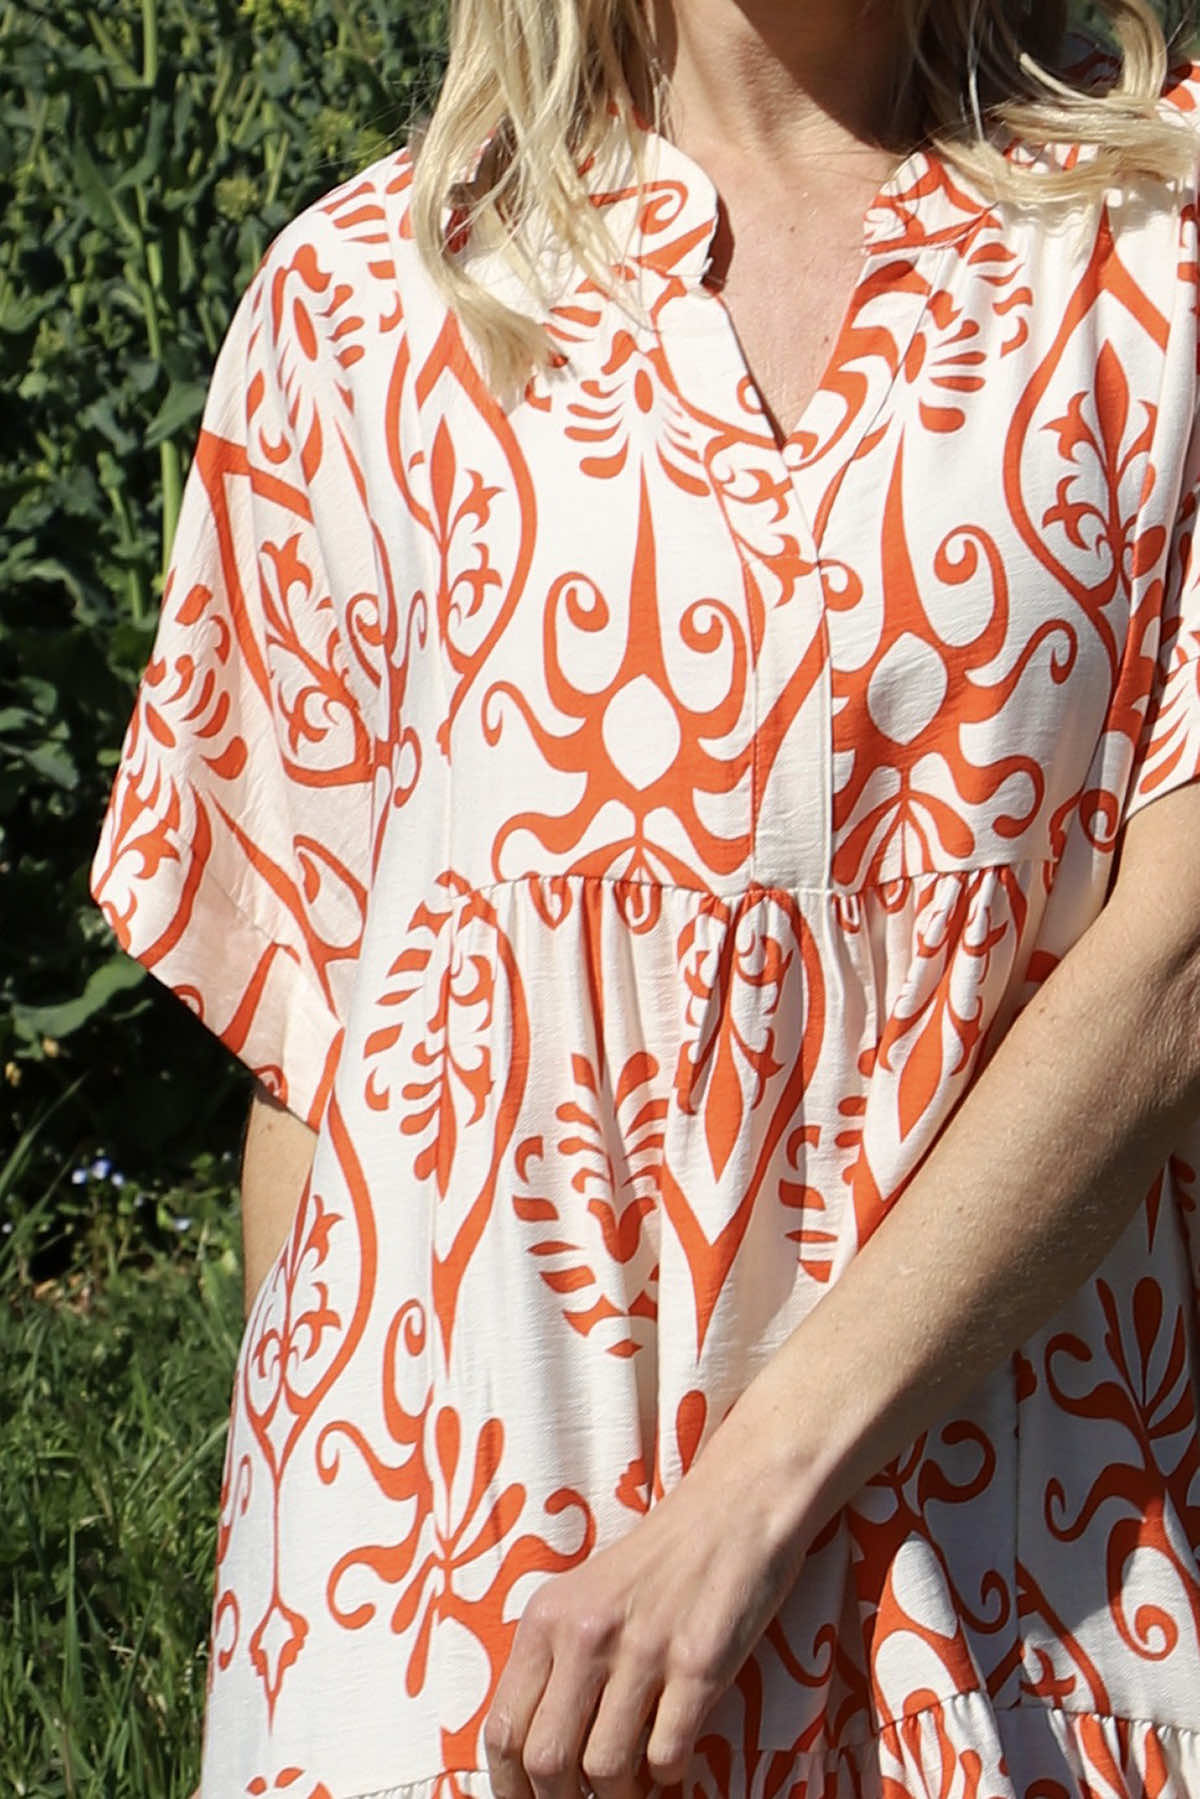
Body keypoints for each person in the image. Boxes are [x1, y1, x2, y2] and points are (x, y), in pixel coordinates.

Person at [89, 0, 1200, 1793]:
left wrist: (744, 1506)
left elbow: (1174, 975)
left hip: (1009, 1559)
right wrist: (327, 1650)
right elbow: (320, 1070)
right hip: (458, 1607)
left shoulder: (1151, 255)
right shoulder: (367, 301)